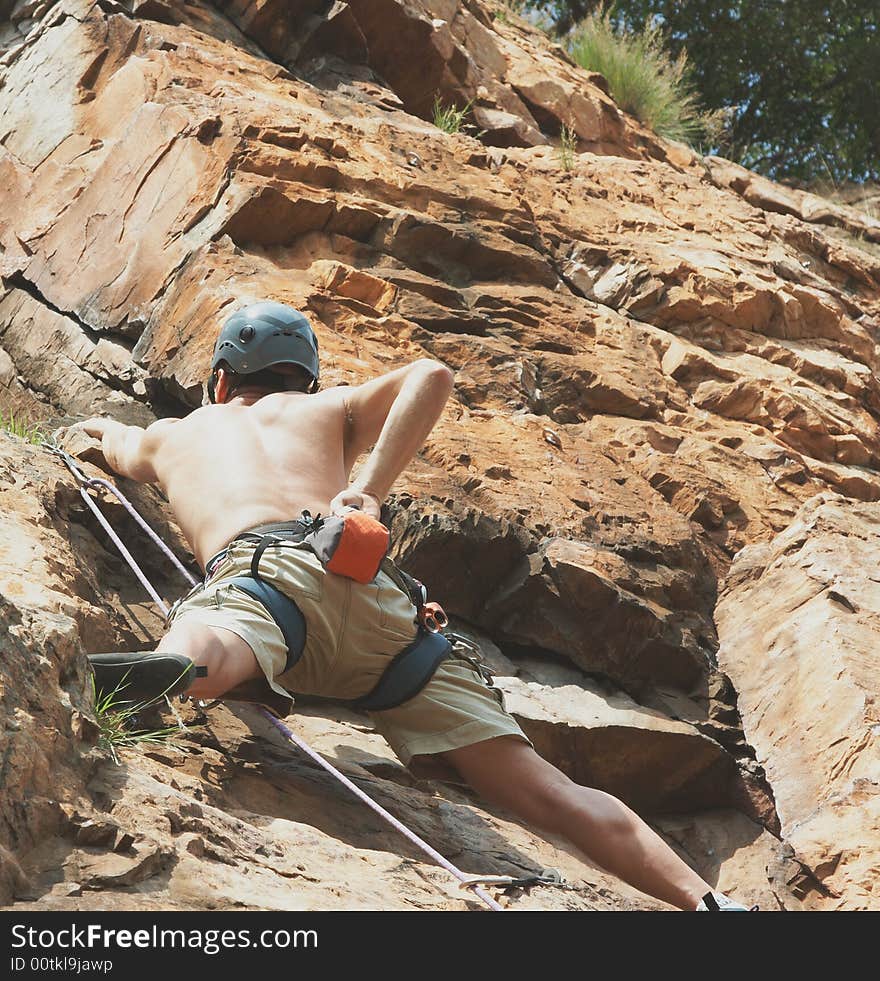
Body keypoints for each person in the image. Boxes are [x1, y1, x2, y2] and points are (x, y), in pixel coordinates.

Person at [72, 300, 749, 912]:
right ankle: (712, 904)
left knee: (210, 642)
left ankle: (174, 668)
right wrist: (365, 489)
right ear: (304, 376)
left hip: (270, 582)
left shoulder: (176, 432)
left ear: (220, 381)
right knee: (551, 793)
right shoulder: (326, 409)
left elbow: (113, 442)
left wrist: (96, 428)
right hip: (382, 604)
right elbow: (431, 373)